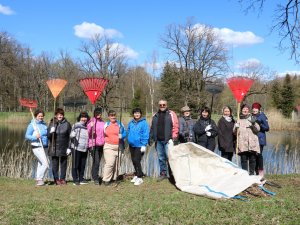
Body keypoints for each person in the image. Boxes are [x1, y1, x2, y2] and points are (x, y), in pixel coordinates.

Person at [150, 100, 179, 181]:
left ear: (166, 105)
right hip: (158, 141)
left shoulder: (171, 114)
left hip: (168, 140)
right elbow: (152, 128)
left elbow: (175, 126)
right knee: (161, 158)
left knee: (170, 157)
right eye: (160, 105)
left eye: (164, 105)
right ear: (158, 105)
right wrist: (151, 137)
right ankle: (163, 173)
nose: (162, 106)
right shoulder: (155, 115)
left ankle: (173, 174)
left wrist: (174, 137)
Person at [234, 103, 260, 175]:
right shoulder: (238, 120)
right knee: (243, 159)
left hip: (252, 143)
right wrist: (236, 127)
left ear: (248, 110)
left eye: (246, 109)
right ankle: (245, 175)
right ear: (241, 110)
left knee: (252, 159)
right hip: (242, 143)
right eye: (243, 109)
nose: (245, 110)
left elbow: (257, 130)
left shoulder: (252, 118)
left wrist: (253, 124)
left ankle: (251, 174)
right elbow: (235, 133)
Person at [102, 110, 126, 186]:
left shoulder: (120, 124)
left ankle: (114, 178)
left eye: (114, 115)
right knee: (110, 163)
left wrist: (122, 136)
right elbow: (101, 134)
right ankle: (106, 180)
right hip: (109, 146)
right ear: (109, 117)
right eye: (111, 115)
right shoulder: (106, 124)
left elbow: (125, 132)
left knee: (117, 164)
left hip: (119, 146)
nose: (113, 117)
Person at [48, 108, 71, 185]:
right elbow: (48, 136)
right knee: (55, 164)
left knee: (64, 164)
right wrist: (51, 132)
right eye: (58, 115)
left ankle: (63, 179)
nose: (60, 116)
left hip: (64, 147)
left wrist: (69, 147)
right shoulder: (52, 123)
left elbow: (70, 137)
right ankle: (56, 179)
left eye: (61, 115)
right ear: (56, 115)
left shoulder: (67, 124)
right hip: (54, 147)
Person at [25, 109, 49, 186]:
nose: (41, 117)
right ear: (36, 116)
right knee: (46, 163)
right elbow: (27, 136)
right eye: (39, 116)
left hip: (44, 146)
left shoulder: (44, 124)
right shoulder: (32, 125)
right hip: (37, 146)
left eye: (42, 116)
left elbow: (46, 135)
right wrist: (35, 137)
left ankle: (39, 181)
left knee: (40, 164)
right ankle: (39, 179)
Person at [127, 108, 150, 186]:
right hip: (131, 145)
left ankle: (140, 177)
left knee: (137, 160)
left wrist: (144, 144)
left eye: (138, 113)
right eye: (135, 113)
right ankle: (136, 175)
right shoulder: (131, 122)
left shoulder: (144, 123)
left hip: (139, 145)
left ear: (140, 114)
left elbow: (146, 134)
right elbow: (128, 130)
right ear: (133, 114)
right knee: (133, 160)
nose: (137, 114)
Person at [69, 111, 90, 186]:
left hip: (84, 148)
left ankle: (81, 178)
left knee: (83, 164)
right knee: (76, 164)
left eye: (85, 117)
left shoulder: (87, 126)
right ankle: (75, 179)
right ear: (80, 118)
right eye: (82, 117)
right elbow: (71, 136)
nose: (84, 119)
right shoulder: (76, 125)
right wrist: (72, 135)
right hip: (76, 147)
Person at [87, 107, 105, 185]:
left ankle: (93, 176)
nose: (98, 114)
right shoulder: (91, 121)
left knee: (97, 162)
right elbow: (88, 133)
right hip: (93, 145)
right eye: (97, 113)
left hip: (101, 145)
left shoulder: (102, 122)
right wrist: (91, 127)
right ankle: (96, 178)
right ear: (94, 113)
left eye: (100, 113)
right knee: (96, 161)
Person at [252, 102, 269, 177]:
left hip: (260, 139)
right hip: (253, 139)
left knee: (259, 155)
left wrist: (260, 124)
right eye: (253, 109)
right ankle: (255, 172)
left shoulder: (262, 116)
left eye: (256, 109)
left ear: (258, 109)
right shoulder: (251, 116)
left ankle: (261, 172)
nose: (254, 110)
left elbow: (267, 128)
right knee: (253, 156)